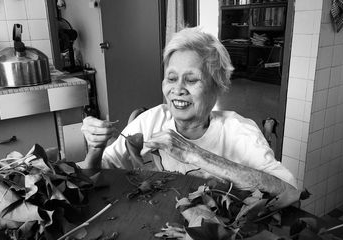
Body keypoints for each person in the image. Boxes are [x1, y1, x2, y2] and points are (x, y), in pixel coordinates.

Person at [79, 27, 297, 195]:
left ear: (217, 87)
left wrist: (195, 154)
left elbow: (289, 190)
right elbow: (95, 178)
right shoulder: (151, 121)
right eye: (171, 78)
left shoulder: (238, 132)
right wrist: (95, 150)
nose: (177, 89)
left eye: (191, 80)